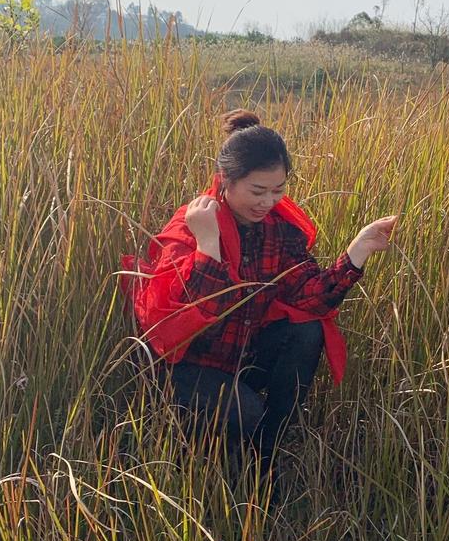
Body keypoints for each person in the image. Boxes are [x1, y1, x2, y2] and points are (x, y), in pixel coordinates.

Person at [121, 109, 397, 485]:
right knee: (245, 412)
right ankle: (208, 455)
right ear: (225, 181)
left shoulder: (277, 231)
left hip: (239, 358)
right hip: (184, 367)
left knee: (307, 331)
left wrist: (358, 251)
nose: (268, 201)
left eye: (278, 190)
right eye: (257, 191)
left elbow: (309, 297)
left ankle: (266, 457)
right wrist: (207, 246)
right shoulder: (192, 227)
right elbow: (183, 324)